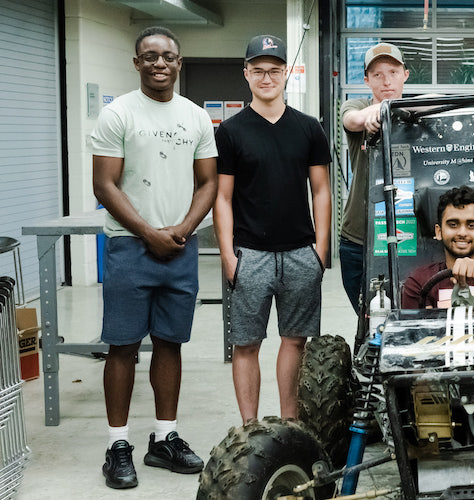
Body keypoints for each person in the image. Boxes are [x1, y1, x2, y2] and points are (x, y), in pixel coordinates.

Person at [91, 26, 217, 489]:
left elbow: (208, 182)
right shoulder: (118, 114)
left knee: (170, 342)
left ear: (179, 63)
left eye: (167, 56)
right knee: (122, 346)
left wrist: (181, 230)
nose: (159, 63)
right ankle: (117, 445)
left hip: (179, 248)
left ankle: (164, 438)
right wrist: (147, 232)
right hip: (129, 247)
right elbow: (104, 184)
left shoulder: (196, 117)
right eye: (149, 56)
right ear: (137, 63)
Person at [213, 35, 332, 424]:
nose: (267, 78)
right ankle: (249, 428)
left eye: (275, 70)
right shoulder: (230, 132)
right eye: (259, 70)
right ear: (246, 74)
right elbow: (222, 198)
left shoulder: (309, 128)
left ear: (286, 74)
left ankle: (289, 425)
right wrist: (229, 256)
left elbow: (321, 191)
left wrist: (321, 251)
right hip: (250, 254)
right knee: (246, 344)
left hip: (300, 253)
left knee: (295, 340)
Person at [339, 42, 408, 314]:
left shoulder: (418, 110)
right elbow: (351, 119)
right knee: (367, 317)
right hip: (359, 237)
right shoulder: (357, 106)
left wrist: (386, 111)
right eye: (377, 75)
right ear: (366, 80)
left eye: (393, 72)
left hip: (407, 233)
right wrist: (372, 114)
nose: (386, 81)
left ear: (405, 75)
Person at [401, 186, 474, 309]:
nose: (462, 233)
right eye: (453, 225)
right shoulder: (420, 281)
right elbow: (413, 320)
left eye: (471, 225)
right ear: (439, 231)